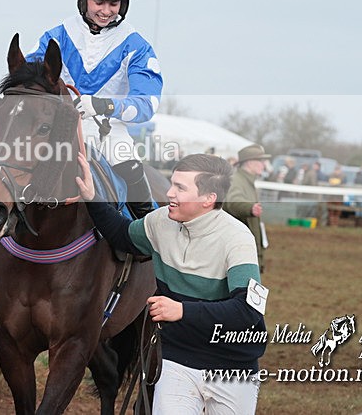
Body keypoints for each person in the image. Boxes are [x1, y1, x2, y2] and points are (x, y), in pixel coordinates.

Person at [75, 152, 267, 414]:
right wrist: (92, 197)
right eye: (172, 184)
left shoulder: (238, 238)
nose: (169, 193)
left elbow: (248, 312)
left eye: (180, 188)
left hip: (231, 365)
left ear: (208, 199)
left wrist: (182, 310)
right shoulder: (161, 221)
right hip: (176, 360)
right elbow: (121, 235)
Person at [27, 0, 163, 220]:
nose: (105, 10)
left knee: (132, 170)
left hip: (108, 132)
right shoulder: (55, 36)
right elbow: (28, 79)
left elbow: (147, 104)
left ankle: (146, 237)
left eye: (114, 3)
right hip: (55, 127)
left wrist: (103, 105)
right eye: (98, 1)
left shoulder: (136, 45)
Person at [223, 144, 270, 272]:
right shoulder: (236, 180)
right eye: (260, 161)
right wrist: (249, 208)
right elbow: (233, 201)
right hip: (238, 248)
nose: (263, 165)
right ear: (249, 163)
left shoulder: (247, 180)